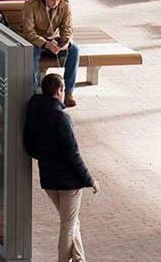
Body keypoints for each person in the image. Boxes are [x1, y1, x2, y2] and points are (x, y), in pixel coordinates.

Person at [23, 73, 97, 262]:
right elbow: (73, 154)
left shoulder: (34, 113)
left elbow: (29, 146)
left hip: (48, 179)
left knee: (72, 221)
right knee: (68, 225)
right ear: (59, 91)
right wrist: (90, 180)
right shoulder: (61, 118)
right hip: (68, 182)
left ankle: (80, 260)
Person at [19, 0, 80, 107]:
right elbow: (29, 32)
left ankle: (68, 92)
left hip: (53, 40)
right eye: (52, 0)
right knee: (31, 57)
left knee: (74, 51)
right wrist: (46, 44)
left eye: (58, 0)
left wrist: (65, 41)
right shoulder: (30, 4)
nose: (55, 3)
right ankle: (33, 92)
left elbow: (67, 28)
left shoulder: (64, 5)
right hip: (35, 42)